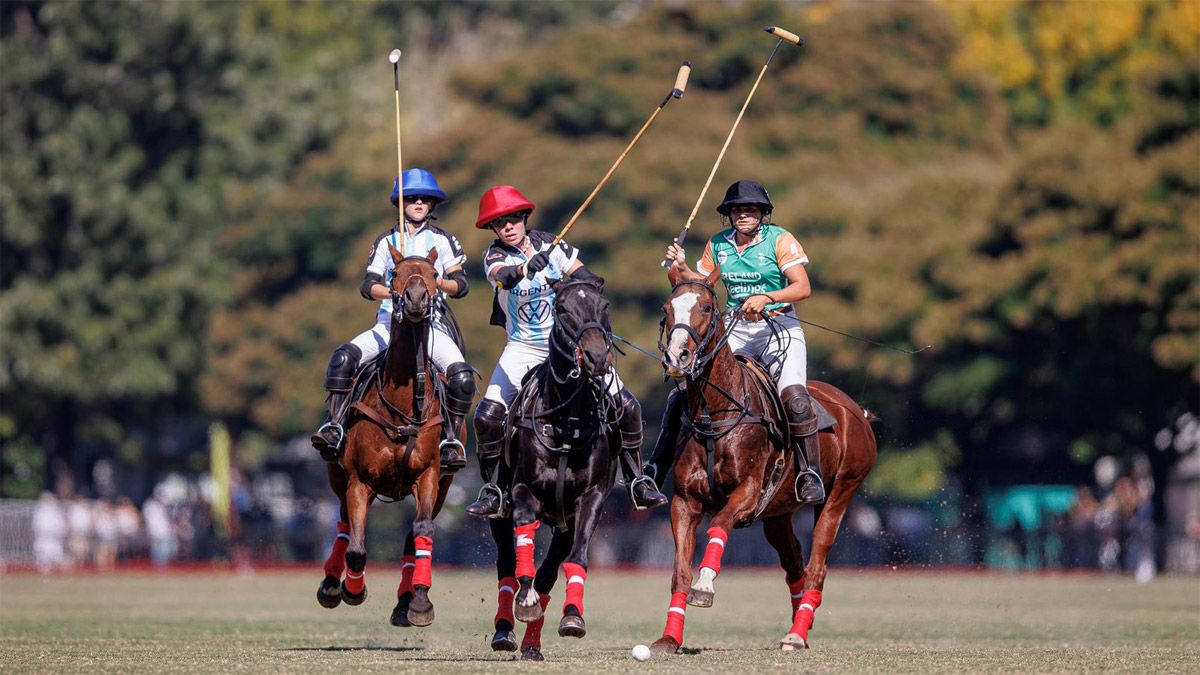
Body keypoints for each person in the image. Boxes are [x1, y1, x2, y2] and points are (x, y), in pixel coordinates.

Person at [464, 185, 667, 517]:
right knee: (486, 417)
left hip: (567, 347)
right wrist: (527, 268)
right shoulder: (495, 256)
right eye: (500, 223)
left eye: (514, 219)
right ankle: (495, 490)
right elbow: (504, 279)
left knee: (628, 406)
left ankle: (637, 481)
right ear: (493, 229)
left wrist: (568, 285)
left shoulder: (552, 245)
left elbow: (589, 279)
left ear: (525, 218)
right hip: (523, 348)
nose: (509, 227)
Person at [647, 179, 826, 504]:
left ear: (762, 213)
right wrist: (681, 267)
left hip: (779, 327)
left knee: (795, 398)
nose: (743, 215)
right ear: (729, 214)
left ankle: (809, 473)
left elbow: (803, 287)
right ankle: (655, 470)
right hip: (735, 328)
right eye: (737, 210)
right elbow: (702, 285)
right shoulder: (719, 244)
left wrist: (767, 297)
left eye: (751, 209)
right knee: (683, 394)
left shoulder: (780, 239)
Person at [310, 168, 475, 469]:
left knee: (462, 378)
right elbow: (368, 285)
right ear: (401, 204)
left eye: (424, 198)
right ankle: (334, 426)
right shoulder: (387, 240)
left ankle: (451, 441)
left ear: (432, 204)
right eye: (412, 198)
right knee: (343, 359)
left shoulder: (443, 240)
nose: (418, 203)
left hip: (432, 327)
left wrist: (435, 283)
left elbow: (461, 284)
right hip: (390, 324)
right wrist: (394, 293)